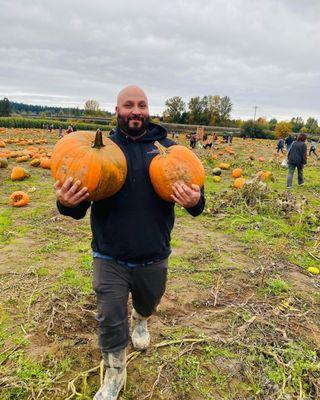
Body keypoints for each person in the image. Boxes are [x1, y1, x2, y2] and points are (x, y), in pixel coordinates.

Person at [54, 86, 205, 400]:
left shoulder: (169, 149)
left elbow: (195, 199)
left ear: (148, 110)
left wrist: (195, 201)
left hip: (154, 252)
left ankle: (141, 319)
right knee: (110, 318)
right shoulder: (102, 150)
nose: (135, 111)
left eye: (141, 105)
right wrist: (66, 203)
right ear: (117, 110)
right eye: (128, 105)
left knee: (148, 301)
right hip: (109, 254)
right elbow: (79, 205)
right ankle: (114, 374)